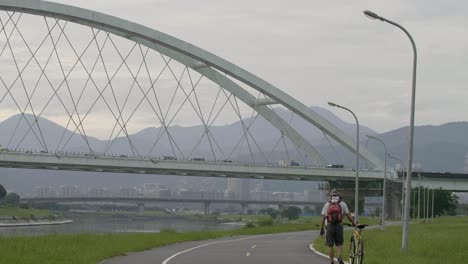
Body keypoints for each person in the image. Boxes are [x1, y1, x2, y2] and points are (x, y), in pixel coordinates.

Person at [320, 189, 355, 264]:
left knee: (330, 245)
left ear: (331, 196)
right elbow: (348, 215)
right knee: (339, 244)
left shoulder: (327, 204)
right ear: (339, 196)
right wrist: (353, 223)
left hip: (329, 226)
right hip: (339, 226)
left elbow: (323, 218)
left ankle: (332, 262)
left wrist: (322, 229)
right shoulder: (342, 204)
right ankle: (339, 257)